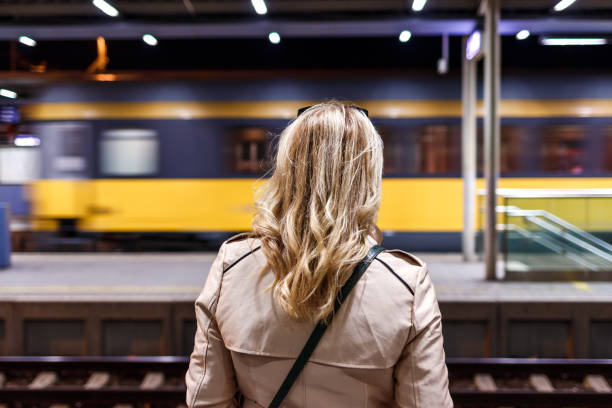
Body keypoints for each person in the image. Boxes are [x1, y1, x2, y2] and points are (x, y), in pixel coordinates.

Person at [186, 101, 452, 407]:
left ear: (286, 169)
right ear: (367, 177)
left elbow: (206, 400)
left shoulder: (232, 268)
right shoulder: (407, 285)